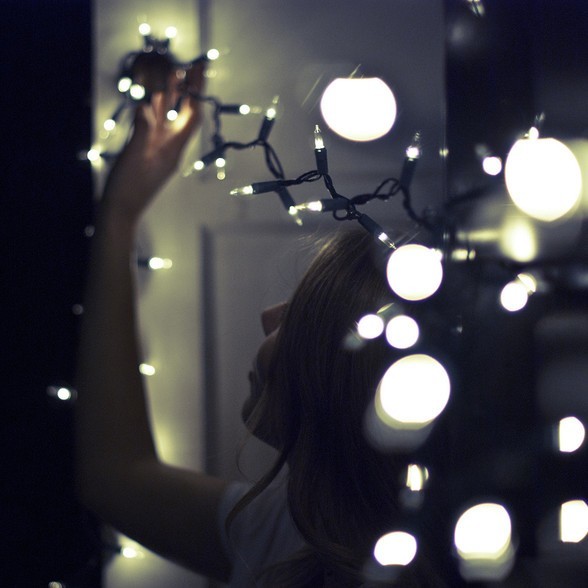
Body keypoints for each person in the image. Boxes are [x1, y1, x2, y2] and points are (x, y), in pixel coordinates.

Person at [75, 63, 440, 587]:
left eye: (300, 315)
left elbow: (115, 478)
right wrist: (121, 213)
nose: (269, 317)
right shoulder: (292, 525)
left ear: (343, 373)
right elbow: (114, 476)